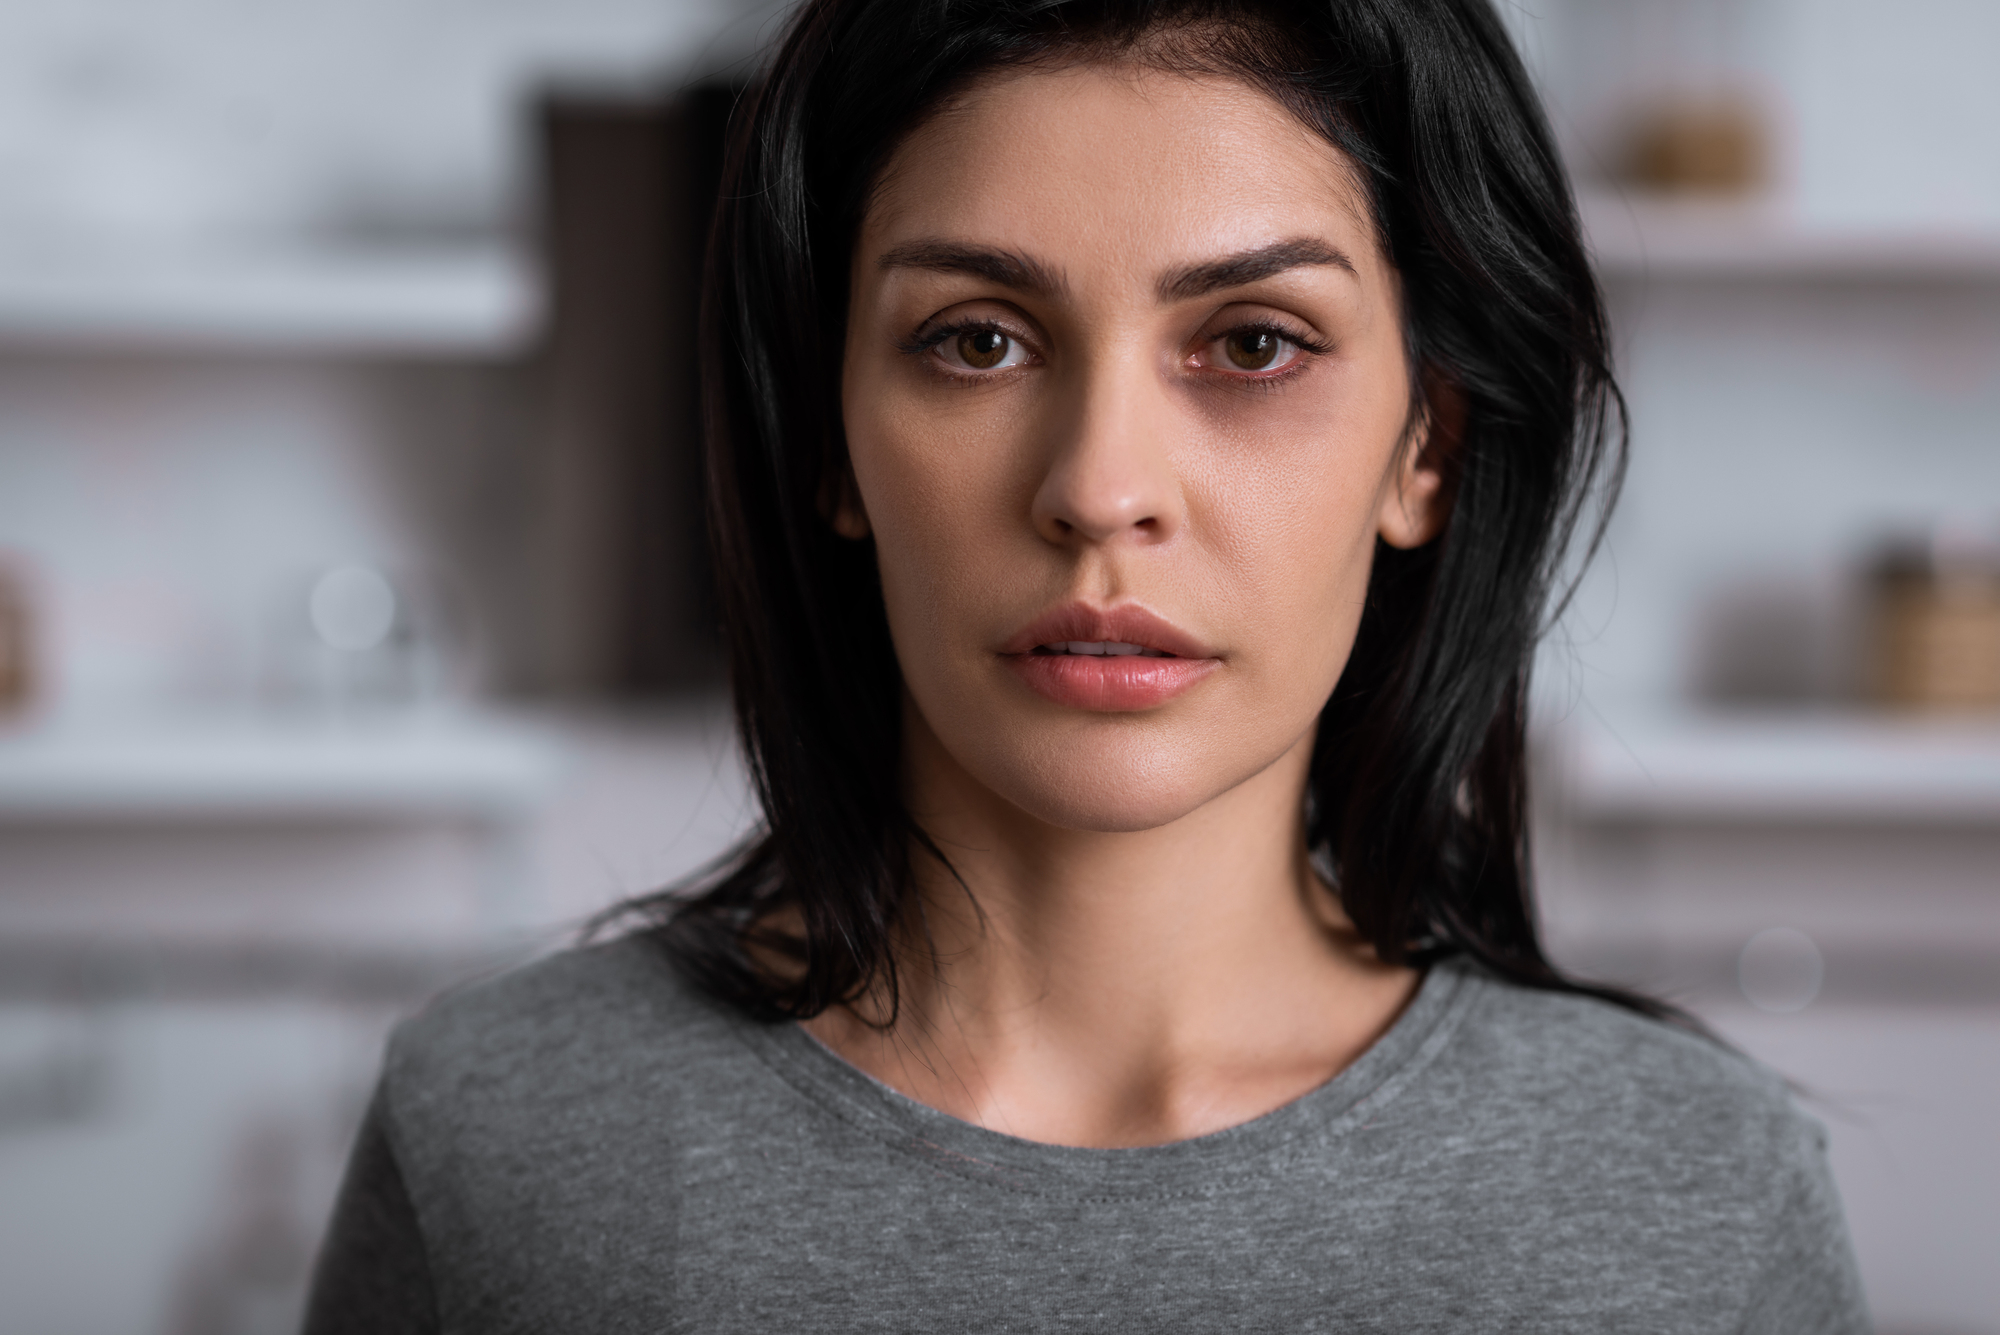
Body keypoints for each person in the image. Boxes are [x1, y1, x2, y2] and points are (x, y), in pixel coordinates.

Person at [304, 1, 1869, 1330]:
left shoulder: (1696, 1202)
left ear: (1428, 450)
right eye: (975, 339)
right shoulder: (498, 1146)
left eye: (1255, 343)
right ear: (830, 445)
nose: (1100, 486)